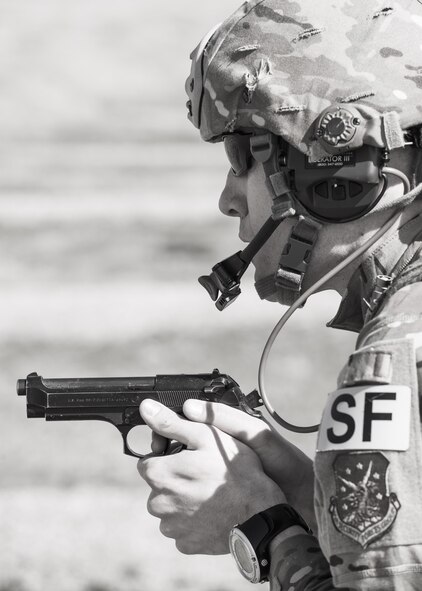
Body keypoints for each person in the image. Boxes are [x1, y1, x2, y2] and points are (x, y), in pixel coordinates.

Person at [137, 1, 422, 588]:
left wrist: (261, 528)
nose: (229, 200)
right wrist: (305, 491)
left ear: (333, 183)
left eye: (242, 160)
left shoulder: (395, 355)